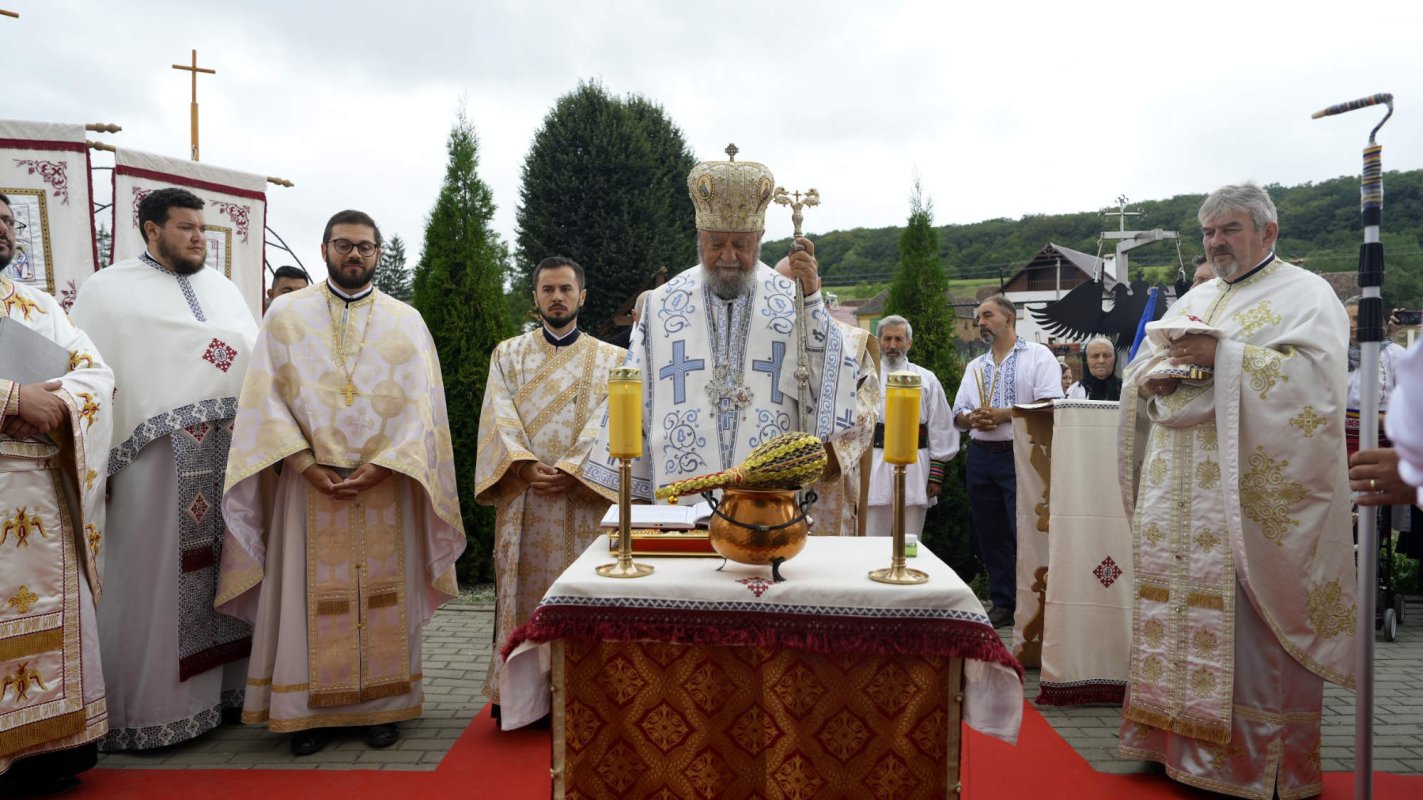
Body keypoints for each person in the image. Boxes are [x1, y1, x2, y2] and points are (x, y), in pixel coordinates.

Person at [1116, 183, 1356, 798]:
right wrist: (1149, 380)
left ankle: (1252, 765)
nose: (1217, 242)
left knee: (1247, 628)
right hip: (1180, 502)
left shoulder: (1307, 295)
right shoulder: (1197, 295)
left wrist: (1223, 359)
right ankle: (1170, 745)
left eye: (1229, 229)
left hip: (1243, 504)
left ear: (1268, 232)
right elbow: (1144, 364)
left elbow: (1315, 386)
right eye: (1208, 233)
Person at [214, 210, 465, 755]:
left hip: (386, 487)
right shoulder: (285, 316)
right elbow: (263, 398)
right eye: (345, 245)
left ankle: (383, 707)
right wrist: (304, 463)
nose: (355, 255)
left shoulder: (407, 321)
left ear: (379, 254)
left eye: (366, 247)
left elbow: (424, 407)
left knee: (384, 600)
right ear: (325, 248)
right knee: (309, 599)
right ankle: (308, 714)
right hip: (308, 486)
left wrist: (386, 464)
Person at [70, 187, 258, 751]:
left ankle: (227, 698)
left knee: (230, 567)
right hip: (153, 464)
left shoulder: (223, 288)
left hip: (225, 451)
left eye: (202, 228)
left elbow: (246, 353)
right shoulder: (108, 292)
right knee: (155, 581)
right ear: (152, 230)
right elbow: (91, 377)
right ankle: (150, 713)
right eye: (186, 228)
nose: (199, 237)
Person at [579, 148, 859, 505]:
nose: (728, 256)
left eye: (740, 244)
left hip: (767, 496)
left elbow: (836, 383)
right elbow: (633, 395)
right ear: (700, 239)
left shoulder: (792, 301)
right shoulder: (662, 305)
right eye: (716, 244)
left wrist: (813, 299)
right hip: (681, 493)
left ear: (758, 240)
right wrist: (635, 488)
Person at [474, 256, 625, 718]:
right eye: (547, 290)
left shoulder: (615, 360)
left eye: (565, 289)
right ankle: (523, 699)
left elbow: (614, 421)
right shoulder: (508, 354)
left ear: (583, 296)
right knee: (524, 595)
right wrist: (521, 466)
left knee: (587, 595)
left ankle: (584, 696)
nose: (556, 297)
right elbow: (497, 416)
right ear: (535, 296)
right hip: (527, 500)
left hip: (586, 502)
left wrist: (575, 468)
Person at [0, 195, 113, 796]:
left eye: (7, 220)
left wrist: (61, 404)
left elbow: (95, 372)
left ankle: (44, 752)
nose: (0, 228)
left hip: (37, 491)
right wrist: (12, 400)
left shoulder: (40, 306)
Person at [951, 295, 1062, 628]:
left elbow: (1050, 404)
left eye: (987, 316)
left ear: (1009, 318)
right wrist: (973, 420)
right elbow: (956, 413)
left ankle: (1036, 603)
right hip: (982, 457)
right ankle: (1003, 601)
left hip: (1023, 456)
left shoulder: (1038, 355)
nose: (980, 323)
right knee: (990, 532)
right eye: (978, 318)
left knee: (1026, 531)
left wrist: (1004, 415)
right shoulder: (975, 366)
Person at [773, 256, 880, 537]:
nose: (791, 294)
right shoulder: (760, 344)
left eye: (799, 285)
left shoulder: (851, 341)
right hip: (770, 478)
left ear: (817, 285)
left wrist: (817, 427)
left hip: (827, 478)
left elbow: (867, 411)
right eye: (781, 287)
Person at [864, 315, 955, 538]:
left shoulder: (926, 379)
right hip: (875, 461)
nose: (892, 345)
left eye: (898, 339)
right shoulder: (865, 377)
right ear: (878, 341)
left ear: (909, 343)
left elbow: (941, 426)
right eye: (887, 339)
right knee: (872, 535)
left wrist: (935, 473)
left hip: (916, 463)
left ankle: (908, 570)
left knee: (911, 537)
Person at [1066, 336, 1122, 400]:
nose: (1101, 361)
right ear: (1086, 360)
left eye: (1106, 355)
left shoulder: (1125, 390)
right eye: (1095, 356)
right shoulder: (1074, 392)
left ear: (1115, 359)